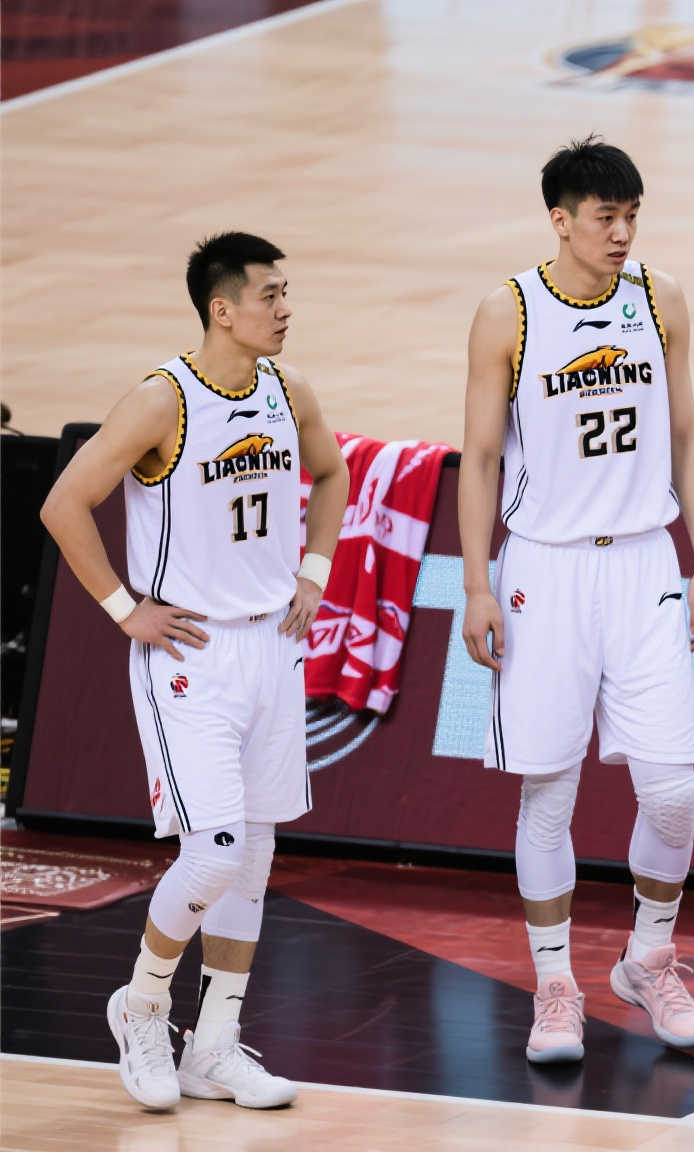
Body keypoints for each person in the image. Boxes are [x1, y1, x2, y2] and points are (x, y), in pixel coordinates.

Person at [41, 232, 348, 1110]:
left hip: (271, 646)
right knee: (213, 852)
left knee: (252, 857)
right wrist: (122, 608)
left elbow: (332, 473)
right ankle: (141, 1007)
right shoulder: (162, 400)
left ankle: (213, 1045)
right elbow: (64, 503)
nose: (285, 310)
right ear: (223, 309)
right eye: (270, 295)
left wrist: (314, 573)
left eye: (286, 294)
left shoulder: (288, 390)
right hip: (190, 652)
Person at [457, 136, 694, 1063]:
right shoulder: (509, 311)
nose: (622, 233)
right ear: (561, 220)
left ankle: (648, 959)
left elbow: (686, 432)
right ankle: (556, 985)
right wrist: (477, 583)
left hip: (645, 562)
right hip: (546, 568)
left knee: (674, 791)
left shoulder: (659, 297)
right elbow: (479, 457)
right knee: (550, 791)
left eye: (632, 216)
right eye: (606, 217)